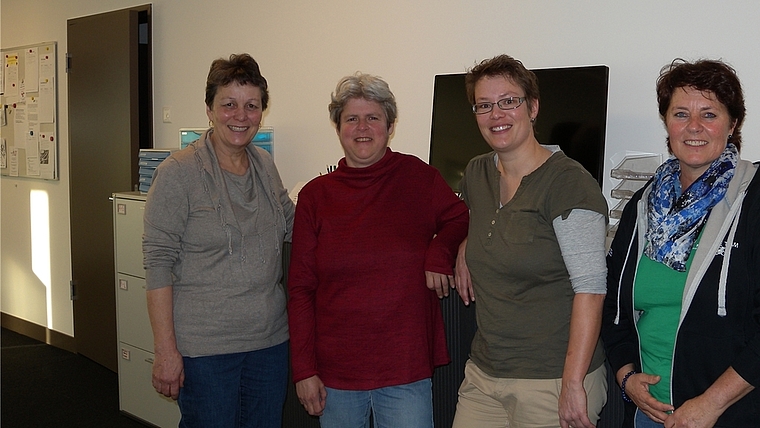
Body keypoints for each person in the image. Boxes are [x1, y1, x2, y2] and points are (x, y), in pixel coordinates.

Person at [287, 72, 469, 428]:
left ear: (390, 125)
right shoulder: (315, 196)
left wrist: (439, 252)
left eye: (373, 117)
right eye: (351, 118)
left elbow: (459, 218)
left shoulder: (418, 178)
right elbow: (300, 290)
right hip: (335, 375)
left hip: (404, 367)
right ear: (338, 127)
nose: (362, 127)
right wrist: (304, 370)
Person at [452, 54, 609, 428]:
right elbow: (486, 223)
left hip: (552, 381)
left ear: (533, 107)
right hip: (484, 374)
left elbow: (591, 289)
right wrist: (463, 247)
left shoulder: (568, 183)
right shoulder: (476, 172)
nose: (497, 114)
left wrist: (572, 384)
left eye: (509, 101)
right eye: (484, 105)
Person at [602, 59, 760, 427]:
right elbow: (613, 304)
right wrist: (626, 375)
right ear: (667, 123)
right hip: (650, 412)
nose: (694, 127)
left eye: (709, 114)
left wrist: (711, 404)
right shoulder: (643, 205)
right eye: (680, 113)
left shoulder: (753, 200)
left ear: (732, 123)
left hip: (730, 414)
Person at [142, 53, 294, 428]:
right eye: (228, 104)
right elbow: (158, 263)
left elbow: (294, 226)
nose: (240, 116)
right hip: (205, 350)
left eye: (251, 106)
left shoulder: (265, 164)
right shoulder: (178, 173)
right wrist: (165, 350)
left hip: (269, 343)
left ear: (262, 112)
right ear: (209, 109)